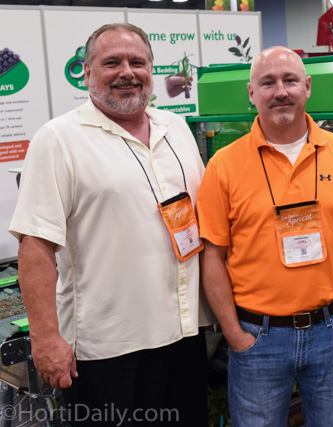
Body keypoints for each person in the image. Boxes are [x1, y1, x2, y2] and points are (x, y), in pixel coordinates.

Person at [9, 23, 212, 426]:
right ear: (87, 72)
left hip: (186, 334)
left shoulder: (176, 129)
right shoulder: (59, 139)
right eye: (112, 62)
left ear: (151, 69)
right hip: (108, 348)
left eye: (137, 62)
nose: (127, 72)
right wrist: (45, 338)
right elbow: (35, 246)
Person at [197, 46, 333, 426]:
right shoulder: (224, 165)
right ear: (251, 93)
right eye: (268, 82)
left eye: (290, 80)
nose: (280, 91)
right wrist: (234, 334)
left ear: (308, 86)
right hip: (257, 338)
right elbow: (212, 256)